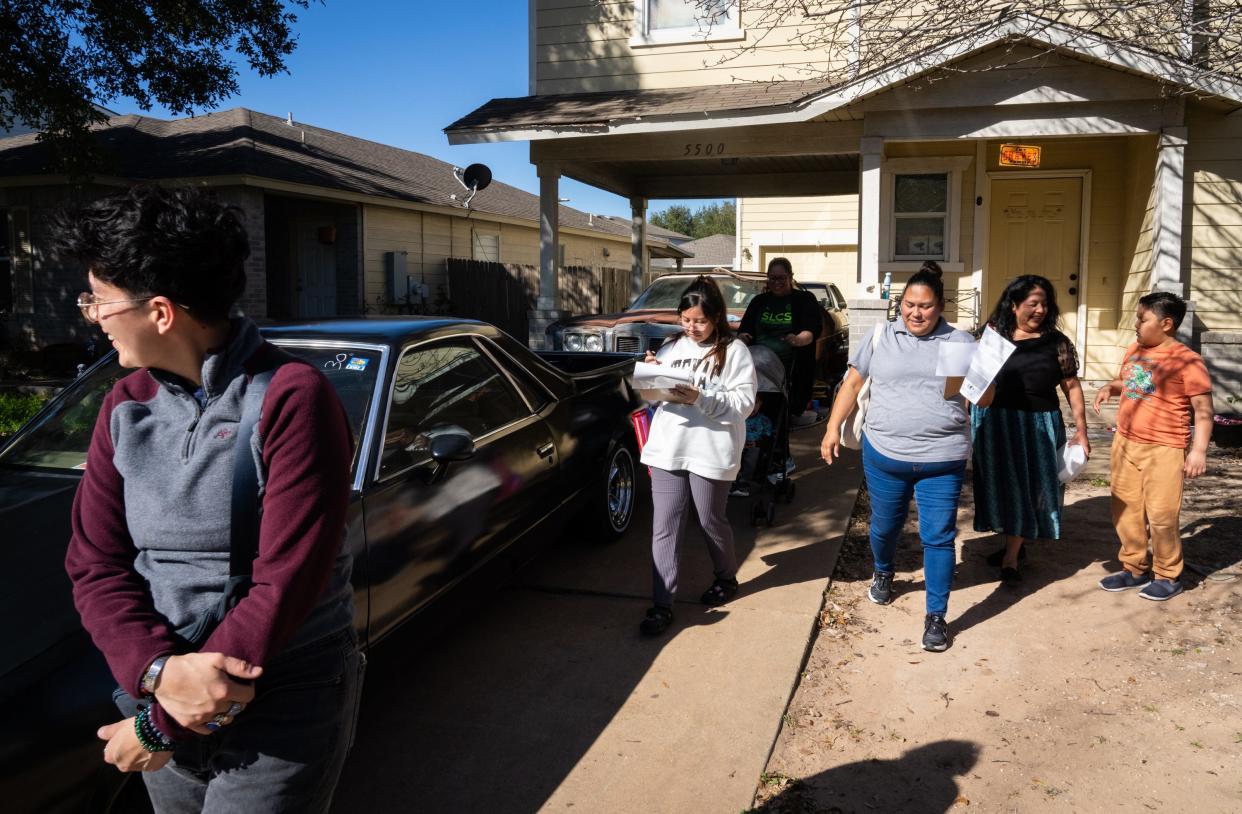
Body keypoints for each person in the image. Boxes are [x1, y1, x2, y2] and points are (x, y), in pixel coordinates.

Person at [56, 186, 362, 812]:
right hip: (165, 686)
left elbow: (285, 585)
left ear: (161, 312)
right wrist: (157, 677)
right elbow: (95, 564)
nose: (91, 316)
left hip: (281, 697)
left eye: (98, 301)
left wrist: (157, 727)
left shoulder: (291, 397)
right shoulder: (124, 407)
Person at [820, 261, 983, 652]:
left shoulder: (960, 343)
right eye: (909, 304)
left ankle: (936, 617)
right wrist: (831, 427)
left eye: (925, 306)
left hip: (942, 457)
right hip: (885, 453)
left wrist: (987, 375)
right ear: (900, 304)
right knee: (885, 526)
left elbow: (979, 398)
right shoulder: (881, 337)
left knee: (939, 537)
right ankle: (883, 571)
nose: (916, 312)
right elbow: (853, 381)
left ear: (941, 306)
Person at [638, 276, 757, 635]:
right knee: (665, 527)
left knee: (710, 520)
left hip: (711, 451)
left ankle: (726, 576)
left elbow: (743, 406)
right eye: (686, 320)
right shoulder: (672, 346)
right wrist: (651, 376)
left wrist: (699, 398)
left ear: (717, 317)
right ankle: (662, 605)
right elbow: (654, 398)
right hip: (668, 449)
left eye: (700, 321)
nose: (691, 327)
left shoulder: (735, 352)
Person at [1093, 291, 1213, 601]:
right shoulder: (1135, 349)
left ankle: (1167, 575)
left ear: (1167, 323)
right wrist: (1111, 387)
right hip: (1126, 442)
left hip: (1164, 447)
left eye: (1142, 319)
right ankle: (1134, 568)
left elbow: (1203, 408)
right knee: (1126, 510)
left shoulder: (1186, 360)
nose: (1136, 324)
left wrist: (1198, 450)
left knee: (1161, 515)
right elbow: (1133, 382)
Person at [971, 275, 1090, 584]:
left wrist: (1082, 430)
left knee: (1030, 489)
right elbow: (970, 376)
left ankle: (1011, 558)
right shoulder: (992, 336)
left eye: (1044, 304)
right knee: (1000, 486)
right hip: (995, 424)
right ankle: (1013, 542)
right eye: (1032, 304)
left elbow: (1072, 387)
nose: (1039, 310)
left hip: (1039, 424)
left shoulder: (1057, 343)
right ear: (1013, 306)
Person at [738, 257, 822, 423]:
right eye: (773, 278)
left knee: (779, 416)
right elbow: (746, 329)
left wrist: (798, 339)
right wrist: (741, 340)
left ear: (791, 277)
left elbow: (812, 331)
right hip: (759, 367)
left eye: (782, 278)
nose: (777, 282)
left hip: (790, 369)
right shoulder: (759, 301)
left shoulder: (804, 300)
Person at [730, 395, 774, 498]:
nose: (752, 407)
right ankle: (731, 481)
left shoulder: (764, 420)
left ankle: (744, 481)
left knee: (753, 452)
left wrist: (756, 443)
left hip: (756, 446)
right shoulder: (738, 418)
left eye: (756, 403)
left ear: (760, 404)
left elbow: (768, 438)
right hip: (738, 445)